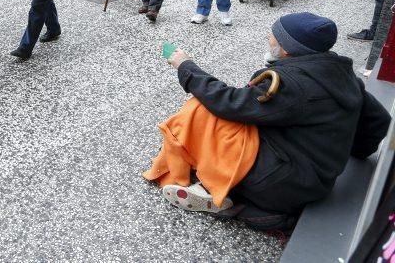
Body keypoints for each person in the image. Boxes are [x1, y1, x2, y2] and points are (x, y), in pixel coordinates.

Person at [153, 13, 390, 230]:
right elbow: (379, 121)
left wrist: (186, 66)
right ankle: (223, 185)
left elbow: (229, 102)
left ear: (288, 49)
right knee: (236, 120)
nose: (268, 37)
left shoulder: (292, 84)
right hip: (313, 179)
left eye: (274, 36)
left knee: (201, 109)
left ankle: (222, 191)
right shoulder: (341, 73)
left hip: (280, 186)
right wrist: (348, 151)